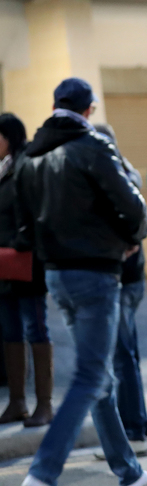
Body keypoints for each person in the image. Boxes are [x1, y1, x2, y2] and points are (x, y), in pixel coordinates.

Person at [15, 78, 147, 486]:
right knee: (91, 375)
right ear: (88, 111)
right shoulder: (92, 147)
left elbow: (24, 228)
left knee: (99, 378)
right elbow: (133, 206)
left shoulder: (30, 156)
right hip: (96, 275)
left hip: (56, 277)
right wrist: (130, 239)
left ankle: (129, 474)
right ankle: (43, 474)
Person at [93, 124, 147, 458]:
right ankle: (140, 427)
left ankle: (133, 432)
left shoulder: (118, 177)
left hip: (122, 278)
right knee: (127, 354)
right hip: (131, 278)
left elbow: (134, 224)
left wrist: (123, 246)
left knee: (121, 356)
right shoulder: (125, 173)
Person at [0, 113, 53, 428]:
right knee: (10, 332)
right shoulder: (5, 167)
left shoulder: (25, 165)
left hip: (25, 262)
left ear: (9, 136)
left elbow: (32, 213)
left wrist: (19, 243)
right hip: (5, 263)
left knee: (36, 329)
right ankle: (17, 401)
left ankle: (44, 404)